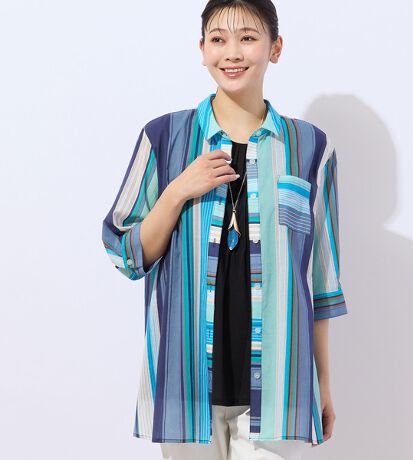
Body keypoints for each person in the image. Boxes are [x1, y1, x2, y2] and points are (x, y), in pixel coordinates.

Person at [101, 1, 348, 458]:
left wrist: (323, 383)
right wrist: (177, 191)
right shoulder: (165, 138)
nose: (232, 52)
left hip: (281, 388)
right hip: (185, 384)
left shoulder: (311, 148)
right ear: (202, 49)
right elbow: (126, 254)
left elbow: (320, 279)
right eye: (218, 39)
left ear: (275, 48)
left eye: (248, 38)